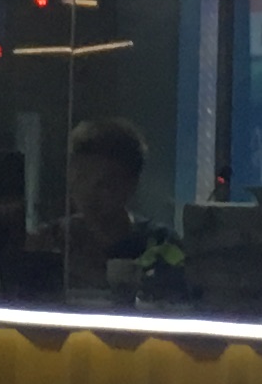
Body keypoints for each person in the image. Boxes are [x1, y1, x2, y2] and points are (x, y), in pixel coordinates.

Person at [41, 115, 172, 278]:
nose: (88, 193)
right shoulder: (49, 242)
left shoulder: (161, 245)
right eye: (82, 178)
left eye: (105, 183)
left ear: (131, 184)